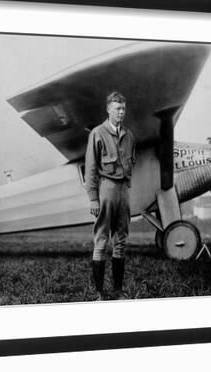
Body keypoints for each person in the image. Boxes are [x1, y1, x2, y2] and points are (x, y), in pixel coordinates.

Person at [84, 91, 136, 300]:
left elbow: (132, 160)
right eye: (117, 109)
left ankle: (118, 290)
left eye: (123, 108)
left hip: (123, 189)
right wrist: (94, 198)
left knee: (121, 239)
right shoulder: (97, 133)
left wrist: (127, 186)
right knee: (102, 240)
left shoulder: (129, 135)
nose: (121, 112)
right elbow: (90, 168)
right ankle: (99, 293)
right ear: (108, 110)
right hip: (106, 188)